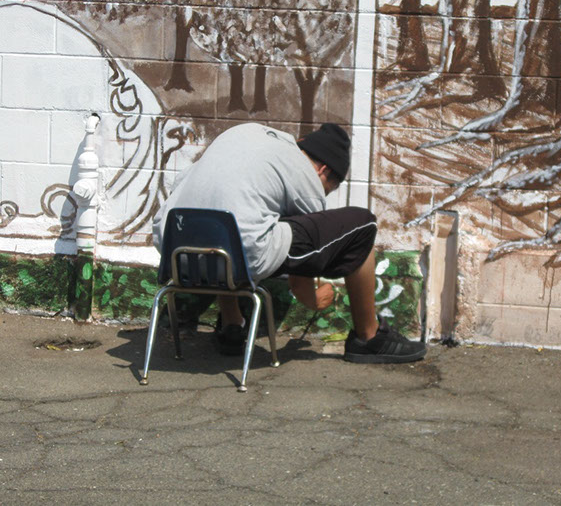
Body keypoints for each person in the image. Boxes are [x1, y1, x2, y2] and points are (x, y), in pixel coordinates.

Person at [153, 122, 426, 364]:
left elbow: (195, 190)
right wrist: (312, 298)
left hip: (176, 255)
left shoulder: (243, 135)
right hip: (240, 260)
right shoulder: (303, 173)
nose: (323, 195)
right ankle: (368, 337)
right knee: (363, 225)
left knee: (232, 222)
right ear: (323, 170)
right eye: (328, 189)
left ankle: (233, 326)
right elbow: (305, 253)